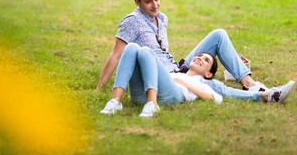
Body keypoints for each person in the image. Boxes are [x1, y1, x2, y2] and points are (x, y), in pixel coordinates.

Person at [96, 0, 292, 101]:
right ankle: (264, 96)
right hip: (160, 75)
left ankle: (249, 83)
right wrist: (99, 89)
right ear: (137, 2)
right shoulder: (131, 22)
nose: (155, 5)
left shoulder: (162, 18)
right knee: (211, 86)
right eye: (149, 2)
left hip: (175, 68)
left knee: (219, 34)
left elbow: (163, 49)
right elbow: (116, 55)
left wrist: (187, 71)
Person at [100, 45, 296, 117]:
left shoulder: (207, 83)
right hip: (142, 93)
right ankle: (115, 102)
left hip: (172, 94)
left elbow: (216, 98)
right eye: (200, 55)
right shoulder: (178, 73)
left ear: (208, 73)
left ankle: (270, 94)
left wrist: (181, 81)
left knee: (145, 51)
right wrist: (176, 75)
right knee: (134, 48)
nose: (200, 58)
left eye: (206, 60)